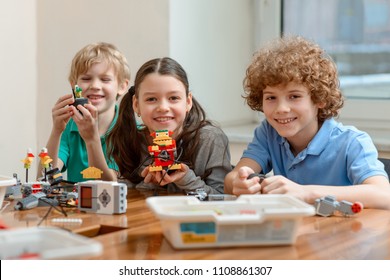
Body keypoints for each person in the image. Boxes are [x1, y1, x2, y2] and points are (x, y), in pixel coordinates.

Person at [224, 35, 390, 209]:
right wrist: (239, 182)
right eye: (271, 97)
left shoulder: (352, 142)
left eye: (294, 96)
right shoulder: (268, 133)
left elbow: (384, 195)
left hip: (343, 232)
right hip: (298, 232)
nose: (281, 108)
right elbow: (231, 180)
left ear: (320, 99)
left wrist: (305, 193)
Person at [107, 57, 232, 194]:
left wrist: (185, 178)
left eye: (173, 98)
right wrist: (150, 183)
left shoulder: (210, 139)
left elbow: (221, 197)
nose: (163, 107)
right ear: (136, 105)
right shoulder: (130, 139)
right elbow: (127, 195)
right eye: (151, 99)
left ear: (188, 102)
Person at [42, 42, 130, 182]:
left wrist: (91, 139)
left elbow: (108, 186)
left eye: (105, 79)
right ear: (73, 84)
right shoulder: (70, 126)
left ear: (122, 86)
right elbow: (46, 179)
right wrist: (56, 131)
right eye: (86, 78)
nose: (95, 86)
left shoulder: (130, 130)